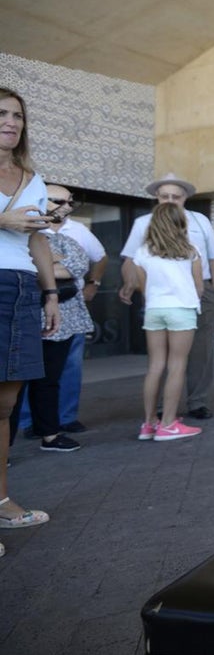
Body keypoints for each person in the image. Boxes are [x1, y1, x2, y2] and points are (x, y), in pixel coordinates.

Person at [0, 87, 56, 548]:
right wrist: (3, 221)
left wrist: (50, 293)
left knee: (5, 405)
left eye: (17, 115)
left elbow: (38, 238)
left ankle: (0, 502)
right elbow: (15, 226)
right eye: (1, 113)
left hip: (20, 288)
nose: (11, 121)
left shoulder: (32, 178)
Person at [119, 172, 214, 420]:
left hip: (198, 291)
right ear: (156, 196)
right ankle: (161, 409)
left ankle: (196, 401)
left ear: (185, 197)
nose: (170, 200)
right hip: (165, 296)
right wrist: (131, 285)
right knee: (167, 357)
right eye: (164, 196)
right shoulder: (143, 222)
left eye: (175, 196)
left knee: (201, 349)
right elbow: (129, 259)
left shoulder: (199, 221)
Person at [16, 182, 105, 438]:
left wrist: (41, 266)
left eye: (70, 202)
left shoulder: (73, 233)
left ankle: (56, 424)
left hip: (66, 314)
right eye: (60, 201)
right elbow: (20, 268)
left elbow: (80, 265)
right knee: (18, 377)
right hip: (26, 312)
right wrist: (50, 264)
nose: (67, 207)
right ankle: (26, 425)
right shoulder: (18, 230)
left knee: (59, 373)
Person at [135, 202, 204, 442]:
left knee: (155, 366)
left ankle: (149, 423)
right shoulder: (190, 250)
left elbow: (142, 287)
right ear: (181, 223)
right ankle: (168, 425)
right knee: (177, 366)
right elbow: (199, 286)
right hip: (181, 310)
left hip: (154, 310)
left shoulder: (143, 251)